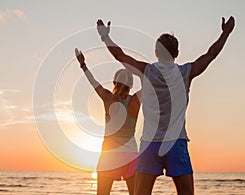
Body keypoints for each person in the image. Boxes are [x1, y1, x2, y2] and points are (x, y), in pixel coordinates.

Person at [96, 16, 235, 195]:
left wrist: (105, 37)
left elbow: (119, 55)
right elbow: (210, 55)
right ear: (176, 53)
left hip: (150, 145)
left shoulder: (146, 71)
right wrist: (225, 33)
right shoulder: (186, 72)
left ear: (156, 52)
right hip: (176, 144)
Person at [75, 48, 142, 195]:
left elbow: (93, 82)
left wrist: (83, 64)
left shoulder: (108, 98)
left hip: (109, 155)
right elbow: (149, 84)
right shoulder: (136, 100)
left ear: (114, 82)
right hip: (131, 154)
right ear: (131, 85)